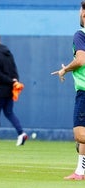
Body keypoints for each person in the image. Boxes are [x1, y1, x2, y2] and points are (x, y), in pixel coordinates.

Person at [52, 1, 85, 180]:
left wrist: (65, 69)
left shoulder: (80, 34)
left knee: (80, 134)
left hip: (84, 91)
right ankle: (80, 171)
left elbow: (80, 60)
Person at [0, 32, 27, 146]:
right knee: (9, 112)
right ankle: (21, 133)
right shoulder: (8, 52)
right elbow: (14, 70)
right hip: (10, 89)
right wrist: (14, 81)